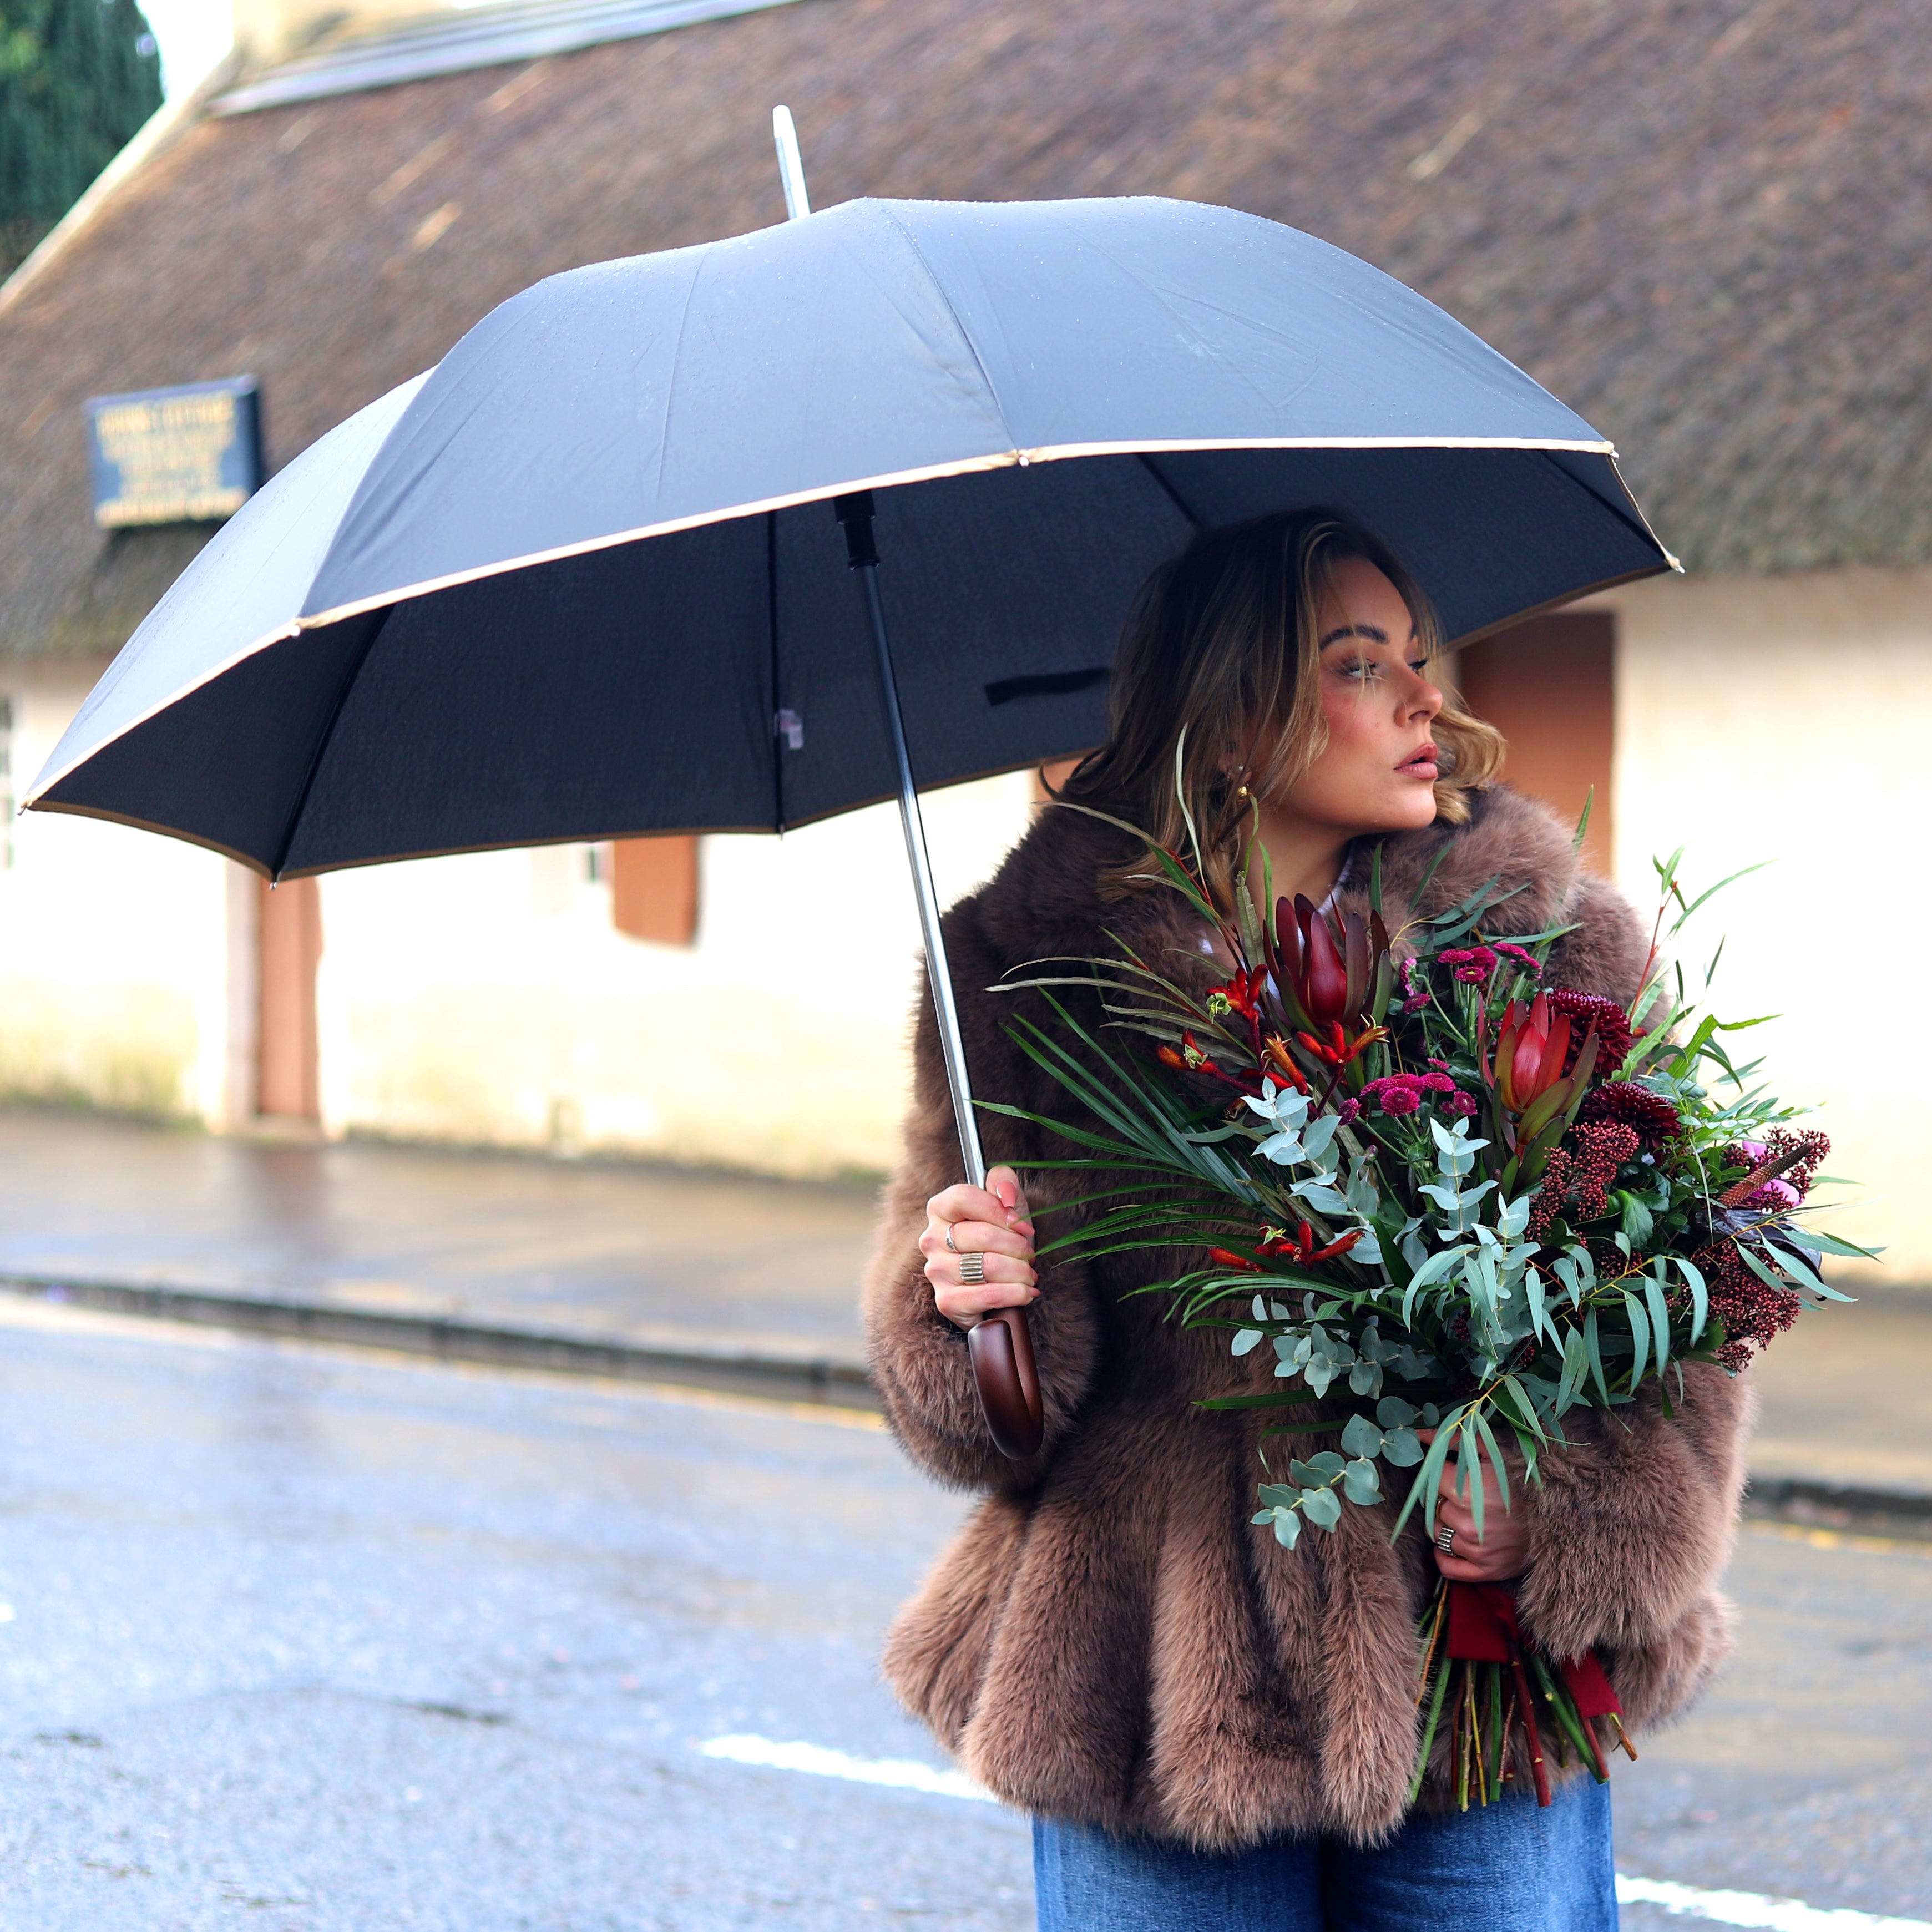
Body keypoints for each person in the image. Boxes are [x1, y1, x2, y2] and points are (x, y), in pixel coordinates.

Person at [861, 510, 1749, 1932]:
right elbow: (984, 1428)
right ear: (1223, 724)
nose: (1425, 702)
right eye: (1356, 664)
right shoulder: (1021, 978)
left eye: (1414, 654)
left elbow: (1675, 1310)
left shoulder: (1552, 953)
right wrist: (965, 1305)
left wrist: (1564, 1509)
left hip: (1473, 1674)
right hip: (1153, 1681)